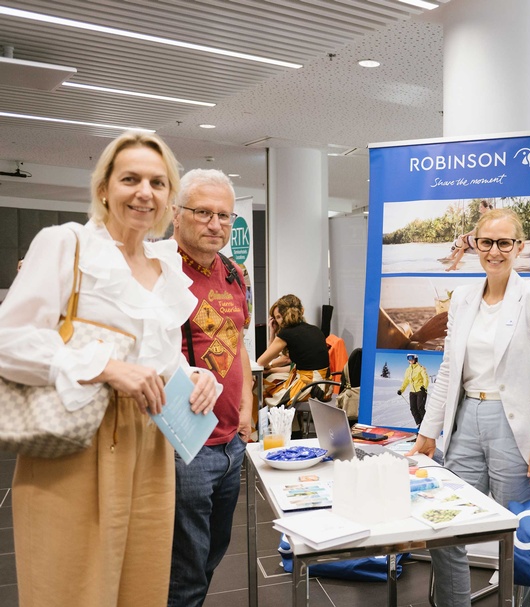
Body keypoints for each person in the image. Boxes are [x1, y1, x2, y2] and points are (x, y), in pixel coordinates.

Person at [0, 131, 220, 607]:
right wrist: (104, 367)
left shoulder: (165, 268)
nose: (145, 192)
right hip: (76, 440)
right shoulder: (67, 245)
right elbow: (9, 340)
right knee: (72, 586)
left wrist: (196, 378)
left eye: (158, 183)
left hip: (152, 444)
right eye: (130, 179)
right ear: (104, 187)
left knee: (140, 588)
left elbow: (160, 360)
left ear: (168, 197)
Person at [408, 208, 530, 607]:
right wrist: (428, 432)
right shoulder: (463, 298)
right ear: (474, 244)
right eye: (485, 242)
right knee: (446, 525)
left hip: (515, 429)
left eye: (503, 243)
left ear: (518, 247)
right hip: (465, 421)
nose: (493, 251)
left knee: (517, 535)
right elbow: (447, 370)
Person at [168, 169, 253, 607]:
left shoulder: (235, 274)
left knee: (210, 557)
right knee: (184, 568)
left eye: (225, 215)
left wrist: (247, 409)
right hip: (184, 443)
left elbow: (238, 342)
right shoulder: (157, 269)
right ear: (176, 214)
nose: (215, 224)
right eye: (203, 212)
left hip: (228, 444)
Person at [257, 294, 330, 404]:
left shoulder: (287, 333)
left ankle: (264, 420)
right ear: (302, 311)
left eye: (278, 317)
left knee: (260, 388)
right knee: (271, 379)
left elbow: (261, 361)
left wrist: (272, 332)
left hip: (310, 387)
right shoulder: (315, 329)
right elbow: (296, 366)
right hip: (325, 386)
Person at [445, 199, 491, 271]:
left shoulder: (485, 217)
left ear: (486, 207)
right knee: (463, 247)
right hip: (482, 238)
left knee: (462, 239)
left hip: (482, 240)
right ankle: (454, 265)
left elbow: (475, 230)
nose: (479, 209)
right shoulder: (488, 215)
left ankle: (452, 256)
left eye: (481, 207)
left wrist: (464, 235)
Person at [398, 353, 430, 425]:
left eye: (412, 358)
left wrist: (424, 387)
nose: (410, 360)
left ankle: (426, 425)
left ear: (415, 359)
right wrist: (401, 390)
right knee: (413, 409)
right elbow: (406, 381)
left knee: (420, 408)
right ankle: (419, 424)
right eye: (409, 359)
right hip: (412, 392)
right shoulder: (408, 370)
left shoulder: (420, 368)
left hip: (420, 391)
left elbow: (426, 378)